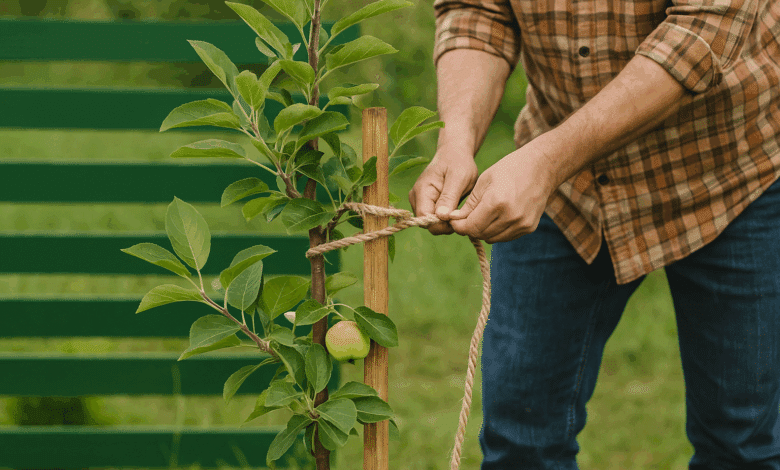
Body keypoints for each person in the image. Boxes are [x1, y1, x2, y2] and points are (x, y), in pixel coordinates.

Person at [408, 0, 780, 468]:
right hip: (568, 195)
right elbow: (478, 12)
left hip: (728, 172)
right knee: (521, 443)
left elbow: (700, 31)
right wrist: (456, 140)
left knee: (739, 445)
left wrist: (544, 164)